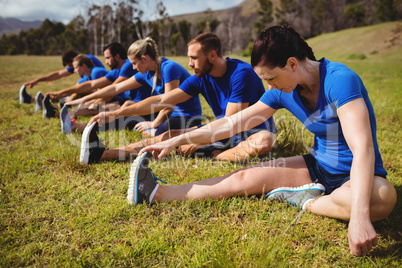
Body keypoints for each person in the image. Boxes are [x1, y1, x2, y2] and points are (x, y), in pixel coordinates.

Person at [127, 25, 397, 257]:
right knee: (243, 178)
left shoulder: (340, 81)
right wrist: (177, 140)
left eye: (271, 78)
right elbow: (231, 123)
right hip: (317, 165)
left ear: (292, 63)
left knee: (384, 197)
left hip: (357, 174)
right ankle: (155, 193)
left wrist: (360, 217)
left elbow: (362, 149)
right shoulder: (283, 91)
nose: (269, 87)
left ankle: (307, 201)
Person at [82, 32, 277, 163]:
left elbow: (229, 125)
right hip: (222, 131)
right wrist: (118, 113)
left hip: (246, 132)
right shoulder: (201, 77)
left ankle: (216, 156)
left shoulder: (240, 74)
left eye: (194, 58)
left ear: (212, 55)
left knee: (263, 143)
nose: (190, 63)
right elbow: (162, 100)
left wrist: (190, 140)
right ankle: (103, 154)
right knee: (168, 135)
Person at [68, 37, 203, 164]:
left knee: (158, 136)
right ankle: (87, 132)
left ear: (144, 59)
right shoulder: (147, 72)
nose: (133, 68)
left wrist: (153, 123)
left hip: (186, 116)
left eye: (134, 63)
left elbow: (168, 104)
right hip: (168, 114)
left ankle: (107, 153)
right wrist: (84, 98)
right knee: (127, 108)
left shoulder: (168, 68)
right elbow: (116, 88)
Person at [19, 50, 104, 106]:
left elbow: (92, 88)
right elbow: (59, 74)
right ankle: (39, 100)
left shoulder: (90, 65)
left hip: (98, 90)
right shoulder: (81, 66)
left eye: (72, 66)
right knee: (72, 91)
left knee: (75, 90)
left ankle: (48, 104)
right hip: (93, 89)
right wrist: (37, 80)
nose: (73, 70)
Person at [42, 54, 109, 119]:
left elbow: (102, 96)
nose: (74, 71)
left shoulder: (96, 72)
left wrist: (86, 103)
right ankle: (55, 109)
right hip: (109, 98)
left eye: (76, 68)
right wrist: (58, 94)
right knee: (81, 96)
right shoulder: (87, 77)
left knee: (93, 106)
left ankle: (55, 114)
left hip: (114, 99)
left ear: (84, 66)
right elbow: (76, 89)